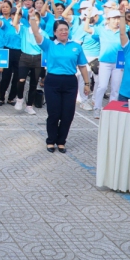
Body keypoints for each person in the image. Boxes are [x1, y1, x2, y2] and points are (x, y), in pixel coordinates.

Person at [30, 11, 91, 153]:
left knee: (68, 114)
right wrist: (33, 18)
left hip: (70, 81)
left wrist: (87, 84)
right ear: (55, 32)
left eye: (66, 29)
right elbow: (36, 34)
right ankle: (51, 140)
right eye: (60, 30)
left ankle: (61, 141)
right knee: (54, 113)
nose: (64, 32)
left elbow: (82, 66)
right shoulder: (49, 45)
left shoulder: (76, 46)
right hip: (53, 81)